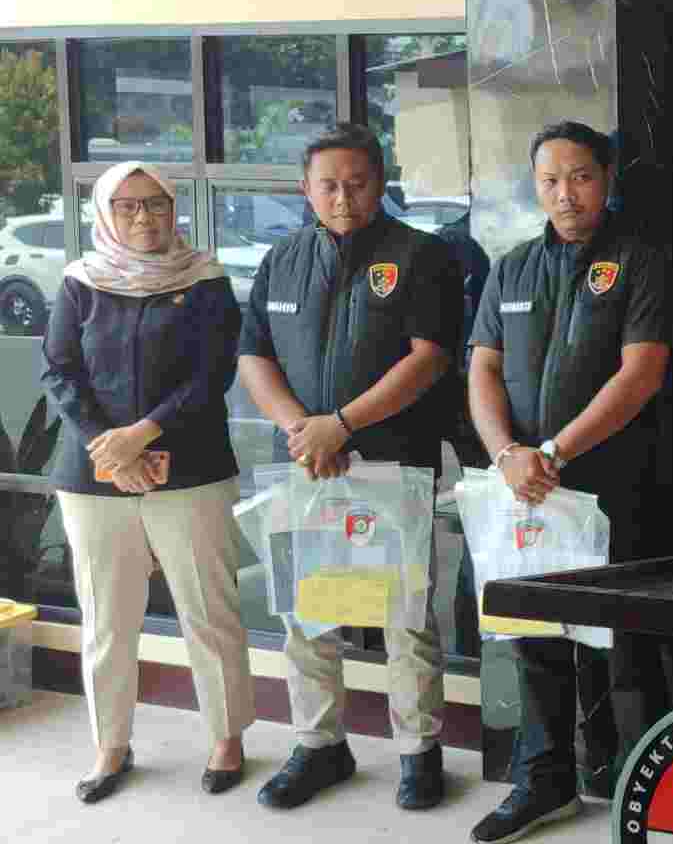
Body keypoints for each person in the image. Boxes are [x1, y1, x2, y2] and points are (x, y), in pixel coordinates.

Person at [237, 127, 464, 812]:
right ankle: (319, 746)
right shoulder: (282, 258)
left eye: (357, 183)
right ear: (304, 189)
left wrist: (341, 424)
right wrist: (303, 431)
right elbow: (254, 357)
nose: (342, 197)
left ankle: (419, 751)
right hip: (306, 465)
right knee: (307, 612)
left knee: (405, 615)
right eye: (328, 185)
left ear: (380, 183)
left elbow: (429, 357)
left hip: (392, 464)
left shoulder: (421, 255)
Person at [465, 121, 673, 843]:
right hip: (528, 489)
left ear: (606, 179)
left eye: (581, 177)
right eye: (551, 180)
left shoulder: (641, 262)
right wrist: (506, 455)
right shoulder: (512, 268)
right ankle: (545, 780)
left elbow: (641, 373)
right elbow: (483, 368)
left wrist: (553, 450)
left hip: (615, 489)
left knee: (625, 645)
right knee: (535, 639)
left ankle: (644, 790)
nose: (566, 193)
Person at [41, 161, 254, 803]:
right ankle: (110, 746)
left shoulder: (205, 279)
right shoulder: (81, 281)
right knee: (107, 618)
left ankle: (226, 737)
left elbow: (213, 373)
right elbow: (60, 371)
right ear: (106, 213)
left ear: (174, 208)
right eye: (128, 205)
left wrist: (144, 433)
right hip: (94, 474)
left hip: (191, 468)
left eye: (156, 203)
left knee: (209, 611)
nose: (143, 216)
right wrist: (112, 447)